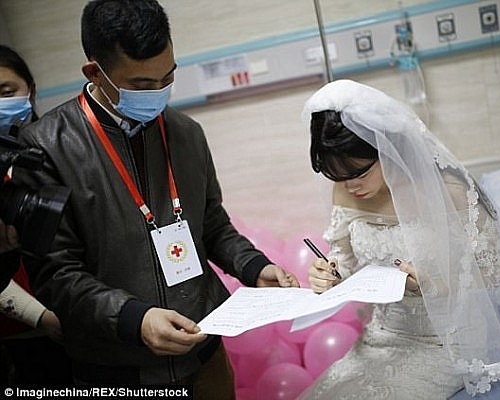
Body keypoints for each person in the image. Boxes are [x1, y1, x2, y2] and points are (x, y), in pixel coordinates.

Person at [12, 0, 299, 396]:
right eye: (142, 84)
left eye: (168, 77)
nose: (159, 93)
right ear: (95, 72)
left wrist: (254, 267)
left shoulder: (186, 133)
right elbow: (56, 275)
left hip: (205, 354)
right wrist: (135, 319)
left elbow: (212, 225)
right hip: (118, 370)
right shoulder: (46, 148)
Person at [299, 79, 500, 399]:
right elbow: (342, 258)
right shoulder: (345, 192)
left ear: (386, 149)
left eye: (360, 174)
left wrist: (433, 285)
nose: (350, 187)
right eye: (338, 177)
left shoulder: (449, 191)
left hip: (448, 338)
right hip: (383, 336)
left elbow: (492, 270)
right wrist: (330, 273)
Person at [0, 44, 72, 385]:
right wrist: (42, 317)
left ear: (30, 89)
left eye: (6, 92)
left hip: (85, 312)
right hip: (22, 336)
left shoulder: (64, 147)